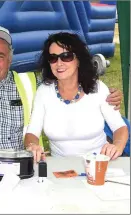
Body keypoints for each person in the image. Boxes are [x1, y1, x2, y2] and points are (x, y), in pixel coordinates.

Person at [0, 25, 122, 155]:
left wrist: (109, 93)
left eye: (0, 55)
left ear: (11, 57)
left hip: (18, 166)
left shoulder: (33, 83)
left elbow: (67, 78)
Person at [24, 32, 128, 162]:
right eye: (53, 58)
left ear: (79, 59)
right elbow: (32, 132)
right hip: (59, 168)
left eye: (66, 56)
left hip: (99, 164)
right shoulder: (44, 92)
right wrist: (32, 146)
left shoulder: (98, 88)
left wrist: (116, 146)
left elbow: (120, 127)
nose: (59, 63)